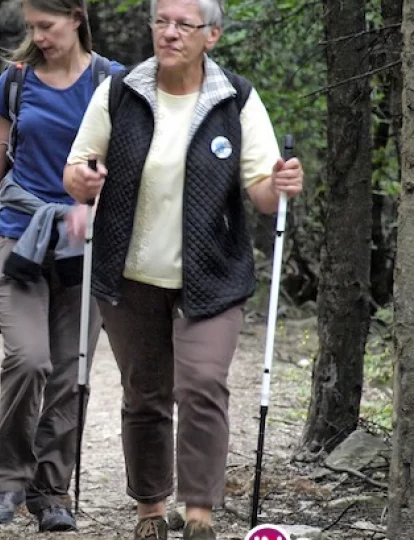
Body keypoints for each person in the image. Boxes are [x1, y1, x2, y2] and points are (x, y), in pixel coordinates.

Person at [62, 0, 305, 538]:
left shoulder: (234, 99)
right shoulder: (121, 91)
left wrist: (282, 182)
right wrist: (81, 181)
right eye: (161, 23)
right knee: (144, 392)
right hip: (129, 272)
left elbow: (263, 193)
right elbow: (77, 167)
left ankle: (199, 512)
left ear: (211, 36)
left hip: (212, 273)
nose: (169, 34)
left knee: (201, 383)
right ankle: (151, 509)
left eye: (183, 25)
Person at [0, 0, 123, 533]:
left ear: (76, 16)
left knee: (71, 370)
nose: (38, 36)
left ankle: (51, 490)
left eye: (46, 26)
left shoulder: (110, 82)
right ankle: (5, 480)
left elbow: (133, 166)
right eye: (32, 28)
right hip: (19, 236)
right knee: (29, 359)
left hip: (84, 242)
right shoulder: (16, 82)